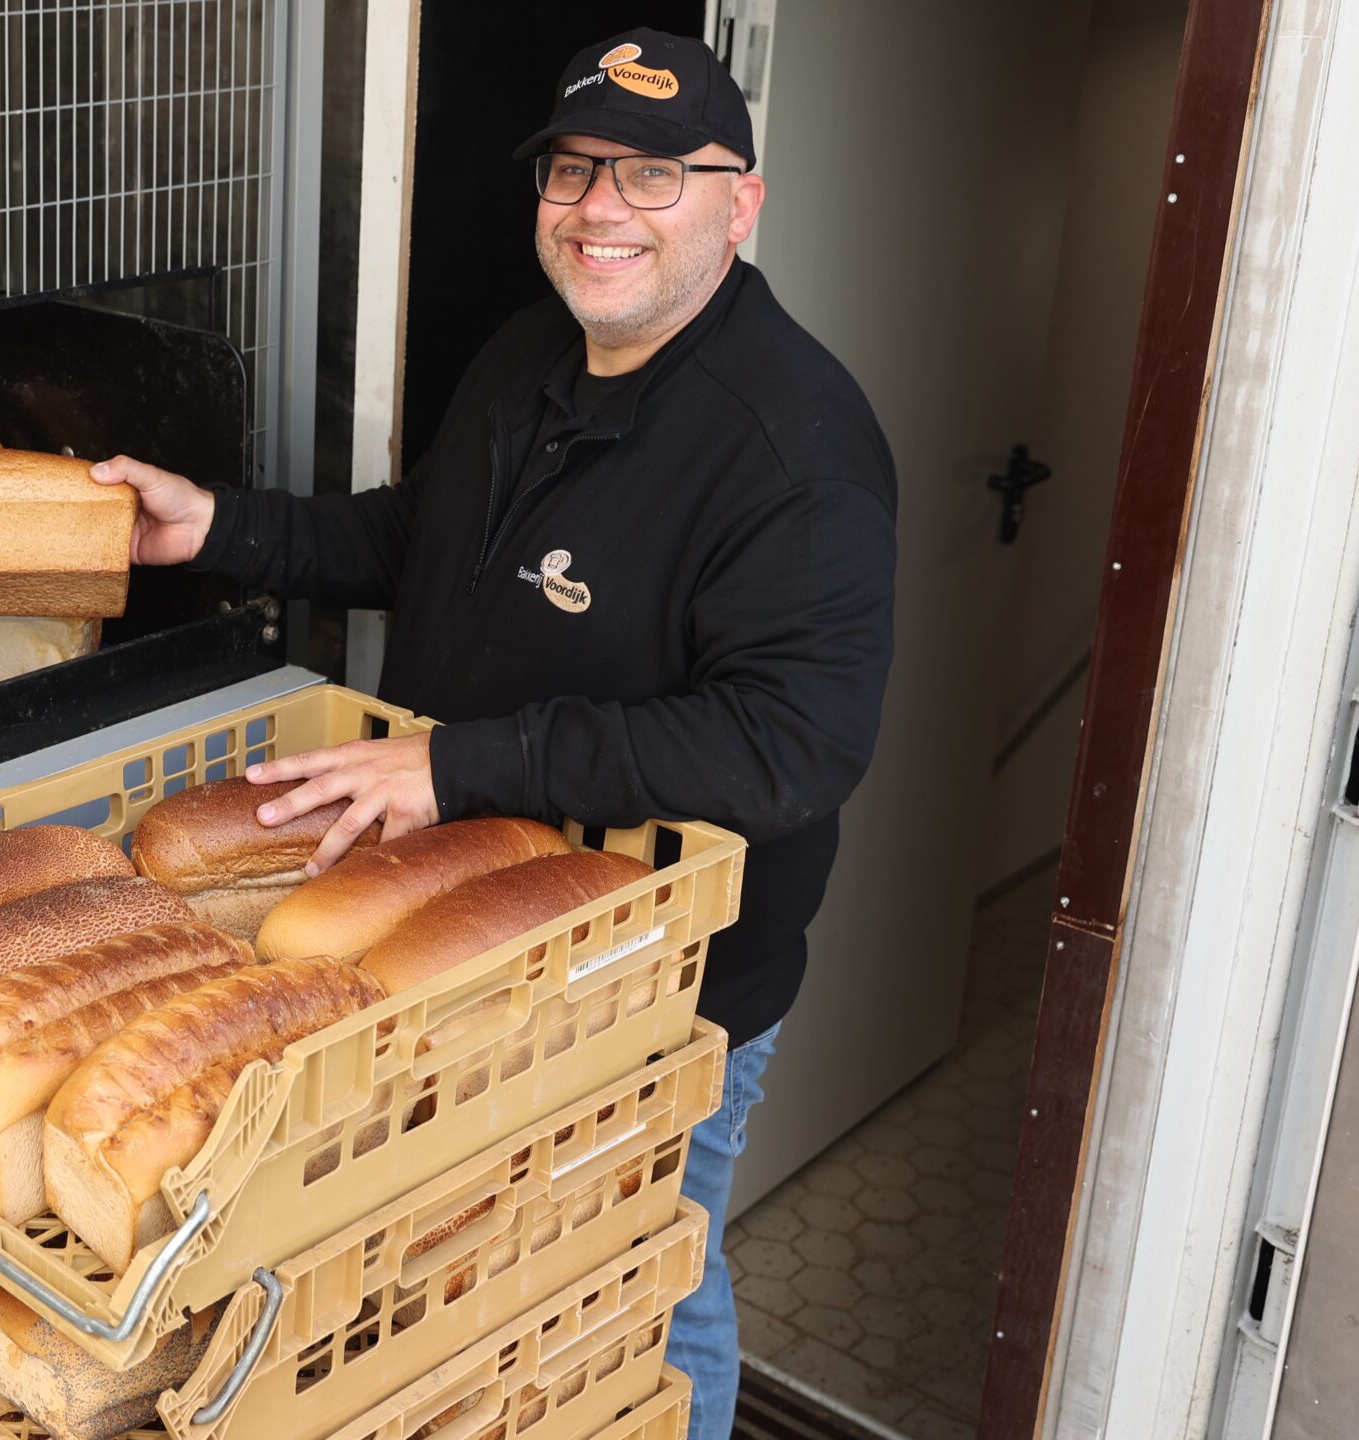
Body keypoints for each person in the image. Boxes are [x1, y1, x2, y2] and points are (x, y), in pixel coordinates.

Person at [91, 28, 896, 1439]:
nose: (600, 209)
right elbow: (426, 538)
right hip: (477, 941)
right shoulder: (534, 351)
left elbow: (791, 747)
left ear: (739, 203)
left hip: (658, 984)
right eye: (575, 170)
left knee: (642, 1279)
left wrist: (459, 763)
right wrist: (226, 526)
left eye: (654, 177)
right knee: (484, 1294)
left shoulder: (796, 444)